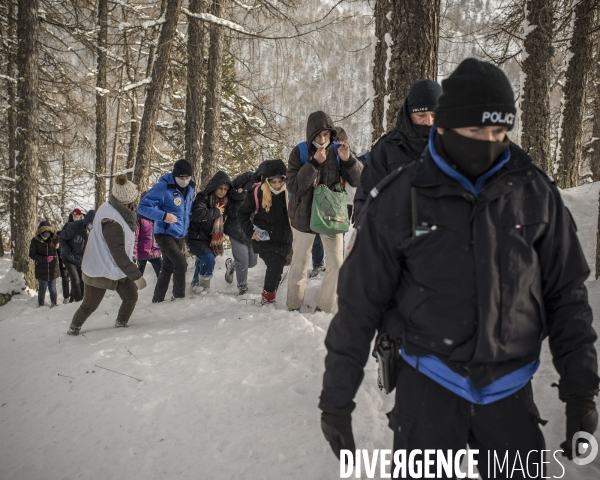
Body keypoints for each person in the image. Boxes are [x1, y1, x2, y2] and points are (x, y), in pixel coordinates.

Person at [319, 58, 598, 475]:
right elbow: (360, 302)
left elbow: (566, 294)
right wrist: (336, 400)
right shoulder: (400, 197)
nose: (488, 143)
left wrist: (581, 391)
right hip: (428, 382)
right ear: (445, 127)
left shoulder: (534, 192)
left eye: (499, 132)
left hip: (509, 389)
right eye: (475, 131)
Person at [286, 111, 362, 313]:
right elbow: (293, 186)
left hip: (332, 215)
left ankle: (324, 307)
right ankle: (293, 306)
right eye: (319, 136)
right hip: (303, 215)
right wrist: (313, 164)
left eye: (326, 135)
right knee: (299, 263)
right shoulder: (299, 152)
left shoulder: (339, 151)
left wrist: (348, 161)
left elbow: (358, 180)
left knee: (337, 264)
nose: (322, 140)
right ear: (311, 135)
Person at [67, 175, 147, 336]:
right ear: (126, 202)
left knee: (131, 296)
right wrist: (136, 275)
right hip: (100, 267)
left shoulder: (118, 209)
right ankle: (73, 329)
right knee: (89, 305)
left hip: (117, 268)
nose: (135, 204)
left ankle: (121, 325)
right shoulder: (111, 221)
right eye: (134, 200)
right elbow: (118, 254)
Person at [353, 79, 442, 218]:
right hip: (396, 234)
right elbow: (366, 197)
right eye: (421, 115)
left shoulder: (455, 147)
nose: (429, 122)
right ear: (408, 114)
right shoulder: (387, 148)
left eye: (434, 115)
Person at [138, 159, 195, 303]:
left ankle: (157, 299)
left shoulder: (191, 187)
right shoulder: (162, 188)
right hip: (164, 233)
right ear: (174, 175)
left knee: (167, 267)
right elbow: (142, 208)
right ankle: (178, 298)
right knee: (181, 263)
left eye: (187, 177)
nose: (184, 180)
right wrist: (163, 216)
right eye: (181, 177)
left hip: (180, 233)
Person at [238, 159, 292, 305]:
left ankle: (270, 295)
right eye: (273, 182)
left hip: (284, 239)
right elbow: (242, 213)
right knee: (274, 265)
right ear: (267, 181)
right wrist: (250, 231)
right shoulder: (258, 193)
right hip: (264, 239)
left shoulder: (291, 193)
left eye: (280, 181)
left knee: (278, 269)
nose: (277, 185)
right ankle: (267, 300)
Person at [187, 171, 234, 293]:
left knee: (203, 260)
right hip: (196, 236)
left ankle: (195, 284)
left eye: (225, 189)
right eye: (220, 188)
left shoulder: (226, 201)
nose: (222, 191)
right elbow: (198, 214)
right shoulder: (203, 197)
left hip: (211, 239)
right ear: (214, 186)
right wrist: (216, 212)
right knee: (208, 260)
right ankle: (203, 288)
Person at [223, 171, 258, 295]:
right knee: (243, 261)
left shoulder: (255, 194)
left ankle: (231, 266)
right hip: (236, 232)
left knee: (252, 263)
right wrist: (242, 197)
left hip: (251, 232)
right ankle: (242, 287)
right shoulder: (231, 197)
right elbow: (231, 213)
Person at [59, 209, 96, 302]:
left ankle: (81, 299)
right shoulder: (74, 226)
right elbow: (61, 238)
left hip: (81, 259)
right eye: (90, 223)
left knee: (83, 280)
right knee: (75, 280)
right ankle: (77, 301)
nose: (91, 226)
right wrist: (68, 252)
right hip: (68, 257)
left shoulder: (95, 232)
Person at [29, 220, 60, 308]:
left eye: (48, 232)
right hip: (41, 268)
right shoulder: (35, 241)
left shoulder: (54, 239)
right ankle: (41, 304)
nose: (46, 234)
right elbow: (32, 254)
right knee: (42, 287)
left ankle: (54, 303)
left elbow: (61, 250)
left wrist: (59, 246)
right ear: (40, 232)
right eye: (44, 232)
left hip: (53, 268)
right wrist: (44, 259)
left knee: (52, 288)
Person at [134, 192, 162, 278]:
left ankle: (161, 291)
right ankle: (132, 291)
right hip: (141, 253)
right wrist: (134, 255)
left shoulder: (157, 216)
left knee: (162, 275)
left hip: (154, 252)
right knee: (137, 279)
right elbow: (134, 237)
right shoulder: (138, 217)